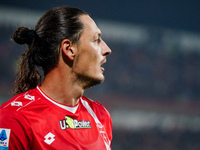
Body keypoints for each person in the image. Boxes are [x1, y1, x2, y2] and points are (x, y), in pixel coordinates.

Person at [0, 5, 112, 150]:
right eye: (96, 40)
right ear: (69, 49)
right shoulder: (14, 119)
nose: (107, 50)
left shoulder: (100, 116)